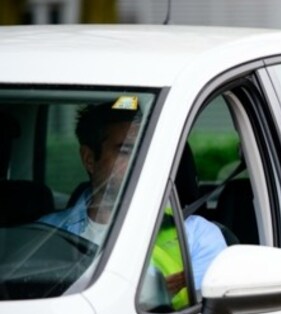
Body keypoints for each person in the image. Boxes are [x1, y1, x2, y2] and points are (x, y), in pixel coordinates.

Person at [39, 99, 227, 297]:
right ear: (89, 159)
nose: (141, 162)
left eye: (146, 151)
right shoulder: (45, 235)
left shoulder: (197, 238)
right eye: (126, 150)